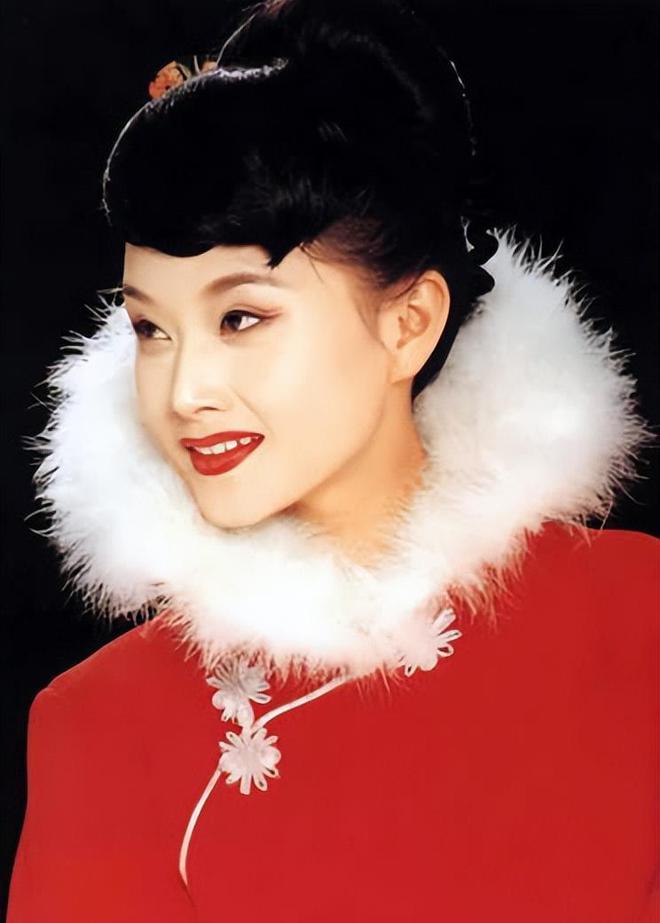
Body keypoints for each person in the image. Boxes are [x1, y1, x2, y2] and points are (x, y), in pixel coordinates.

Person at [7, 0, 659, 920]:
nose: (184, 390)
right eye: (151, 329)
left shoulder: (638, 620)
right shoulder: (103, 725)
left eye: (240, 317)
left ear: (410, 323)